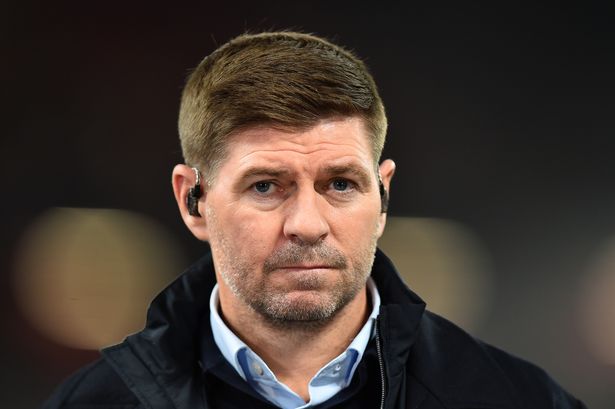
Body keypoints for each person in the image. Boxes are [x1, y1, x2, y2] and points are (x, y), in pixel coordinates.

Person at [42, 31, 585, 409]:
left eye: (340, 184)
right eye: (265, 186)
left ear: (383, 196)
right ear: (194, 201)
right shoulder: (93, 404)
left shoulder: (516, 399)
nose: (307, 224)